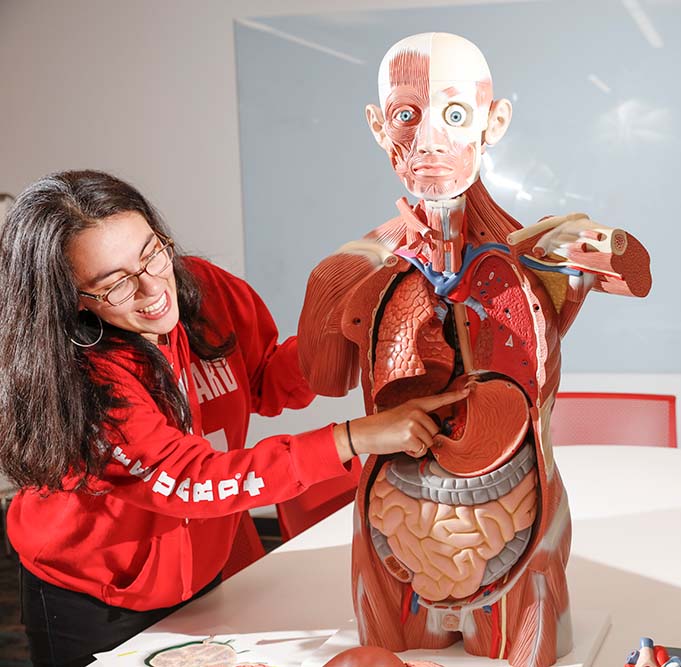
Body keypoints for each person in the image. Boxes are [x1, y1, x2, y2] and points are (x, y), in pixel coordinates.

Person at [0, 170, 468, 666]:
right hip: (97, 597)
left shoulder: (203, 288)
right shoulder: (84, 376)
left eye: (152, 254)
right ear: (71, 299)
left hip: (206, 572)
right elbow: (191, 480)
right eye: (115, 285)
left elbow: (265, 377)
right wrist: (354, 438)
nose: (152, 288)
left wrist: (352, 329)